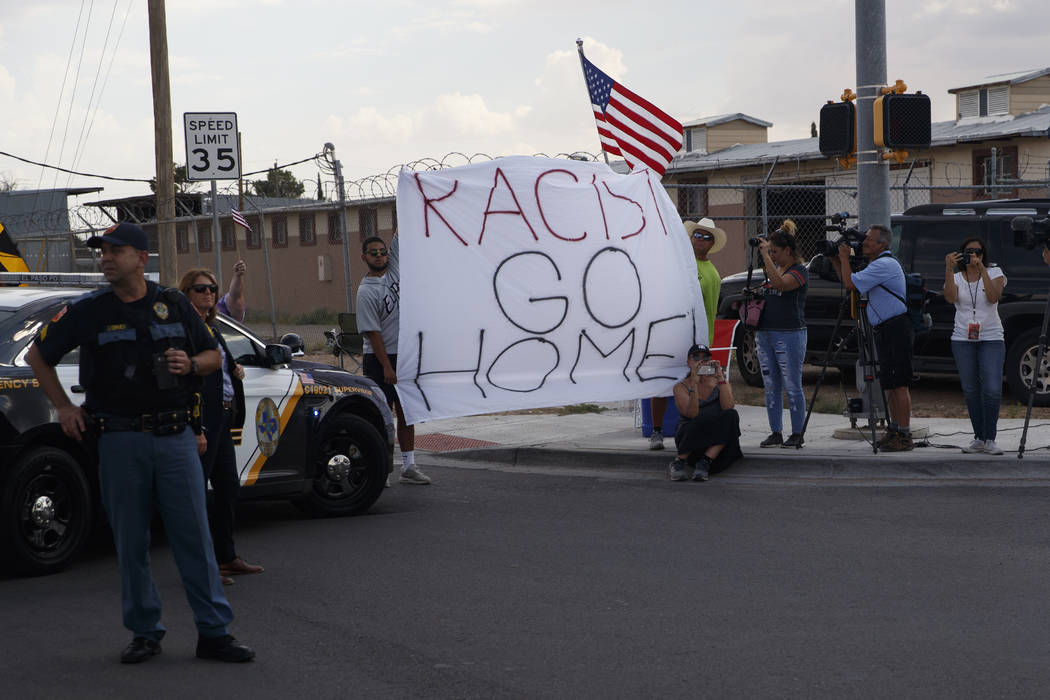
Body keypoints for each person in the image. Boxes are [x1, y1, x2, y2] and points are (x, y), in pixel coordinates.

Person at [25, 222, 254, 664]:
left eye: (117, 250)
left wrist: (190, 362)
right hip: (120, 439)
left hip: (175, 438)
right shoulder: (88, 310)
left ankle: (214, 632)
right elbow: (39, 355)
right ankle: (145, 631)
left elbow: (212, 356)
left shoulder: (172, 305)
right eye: (103, 251)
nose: (107, 257)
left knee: (193, 537)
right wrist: (64, 408)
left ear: (141, 258)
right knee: (130, 541)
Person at [180, 267, 265, 583]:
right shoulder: (185, 330)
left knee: (228, 486)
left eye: (212, 289)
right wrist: (196, 426)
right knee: (196, 493)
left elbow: (219, 364)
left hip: (223, 417)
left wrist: (234, 368)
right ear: (187, 292)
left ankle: (226, 557)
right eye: (201, 288)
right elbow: (187, 381)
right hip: (203, 421)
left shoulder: (210, 327)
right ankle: (201, 565)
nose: (208, 294)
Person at [830, 224, 914, 452]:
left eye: (869, 240)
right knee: (889, 383)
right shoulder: (876, 265)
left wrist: (845, 257)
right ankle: (894, 430)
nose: (864, 242)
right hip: (885, 329)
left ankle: (904, 435)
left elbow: (850, 283)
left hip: (895, 328)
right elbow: (851, 284)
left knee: (899, 384)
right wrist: (836, 259)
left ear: (882, 245)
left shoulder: (884, 264)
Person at [357, 233, 431, 485]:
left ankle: (409, 465)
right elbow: (373, 333)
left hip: (405, 354)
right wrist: (387, 366)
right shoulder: (366, 291)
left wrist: (410, 192)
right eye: (373, 253)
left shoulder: (395, 269)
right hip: (380, 358)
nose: (380, 256)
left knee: (407, 412)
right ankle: (383, 467)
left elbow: (403, 227)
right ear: (364, 257)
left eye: (382, 252)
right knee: (383, 414)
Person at [649, 217, 727, 451]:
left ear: (712, 244)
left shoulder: (712, 272)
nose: (701, 240)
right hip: (674, 337)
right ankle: (657, 432)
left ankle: (694, 431)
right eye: (698, 235)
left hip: (701, 342)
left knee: (700, 385)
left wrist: (706, 341)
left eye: (707, 237)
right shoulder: (681, 264)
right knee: (663, 383)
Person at [943, 238, 1007, 455]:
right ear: (961, 253)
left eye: (978, 252)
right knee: (971, 390)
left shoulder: (995, 271)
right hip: (962, 338)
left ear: (983, 254)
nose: (973, 255)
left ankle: (991, 437)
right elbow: (950, 298)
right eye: (969, 251)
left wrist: (982, 270)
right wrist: (948, 269)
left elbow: (993, 297)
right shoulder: (957, 277)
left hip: (991, 337)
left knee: (991, 388)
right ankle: (979, 437)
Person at [754, 221, 808, 449]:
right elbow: (771, 287)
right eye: (770, 252)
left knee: (792, 385)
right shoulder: (775, 271)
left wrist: (765, 257)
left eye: (775, 252)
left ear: (787, 250)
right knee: (771, 385)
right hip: (765, 332)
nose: (772, 256)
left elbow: (782, 285)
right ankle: (775, 431)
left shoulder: (799, 271)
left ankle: (797, 432)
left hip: (789, 334)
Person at [668, 344, 742, 482]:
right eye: (696, 358)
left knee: (732, 415)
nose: (701, 361)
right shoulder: (681, 387)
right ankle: (679, 462)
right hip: (691, 443)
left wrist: (720, 379)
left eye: (705, 358)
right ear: (689, 362)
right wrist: (694, 384)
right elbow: (692, 414)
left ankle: (705, 461)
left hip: (717, 447)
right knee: (699, 419)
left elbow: (728, 407)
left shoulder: (719, 383)